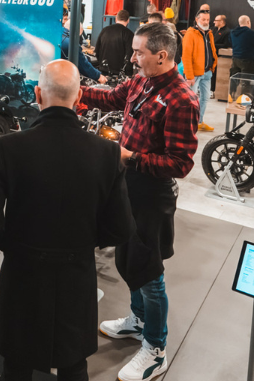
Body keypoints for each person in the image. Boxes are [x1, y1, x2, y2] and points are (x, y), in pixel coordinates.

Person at [0, 60, 134, 381]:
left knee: (16, 365)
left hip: (23, 277)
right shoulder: (106, 153)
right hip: (76, 278)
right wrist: (86, 243)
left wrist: (10, 246)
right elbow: (121, 227)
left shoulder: (9, 147)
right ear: (78, 99)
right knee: (73, 367)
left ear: (37, 94)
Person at [79, 22, 198, 381]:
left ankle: (156, 348)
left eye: (138, 52)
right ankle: (138, 320)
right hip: (126, 186)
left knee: (149, 272)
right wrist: (76, 90)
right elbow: (112, 96)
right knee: (128, 259)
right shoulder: (142, 82)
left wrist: (129, 156)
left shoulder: (181, 99)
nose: (132, 58)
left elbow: (180, 164)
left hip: (151, 195)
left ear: (162, 56)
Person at [182, 9, 218, 132]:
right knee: (191, 101)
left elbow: (211, 50)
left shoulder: (209, 33)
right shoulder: (190, 33)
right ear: (197, 20)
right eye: (203, 19)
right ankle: (188, 125)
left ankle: (199, 122)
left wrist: (212, 67)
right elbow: (186, 55)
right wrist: (189, 76)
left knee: (205, 98)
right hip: (195, 74)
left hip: (207, 73)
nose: (206, 21)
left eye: (207, 19)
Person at [59, 11, 107, 84]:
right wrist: (99, 76)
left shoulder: (57, 35)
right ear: (75, 32)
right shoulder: (72, 44)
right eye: (78, 36)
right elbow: (83, 65)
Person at [96, 9, 135, 77]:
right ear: (128, 20)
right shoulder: (129, 34)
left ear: (116, 19)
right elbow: (129, 55)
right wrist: (129, 74)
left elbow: (97, 51)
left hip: (103, 71)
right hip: (120, 74)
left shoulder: (104, 30)